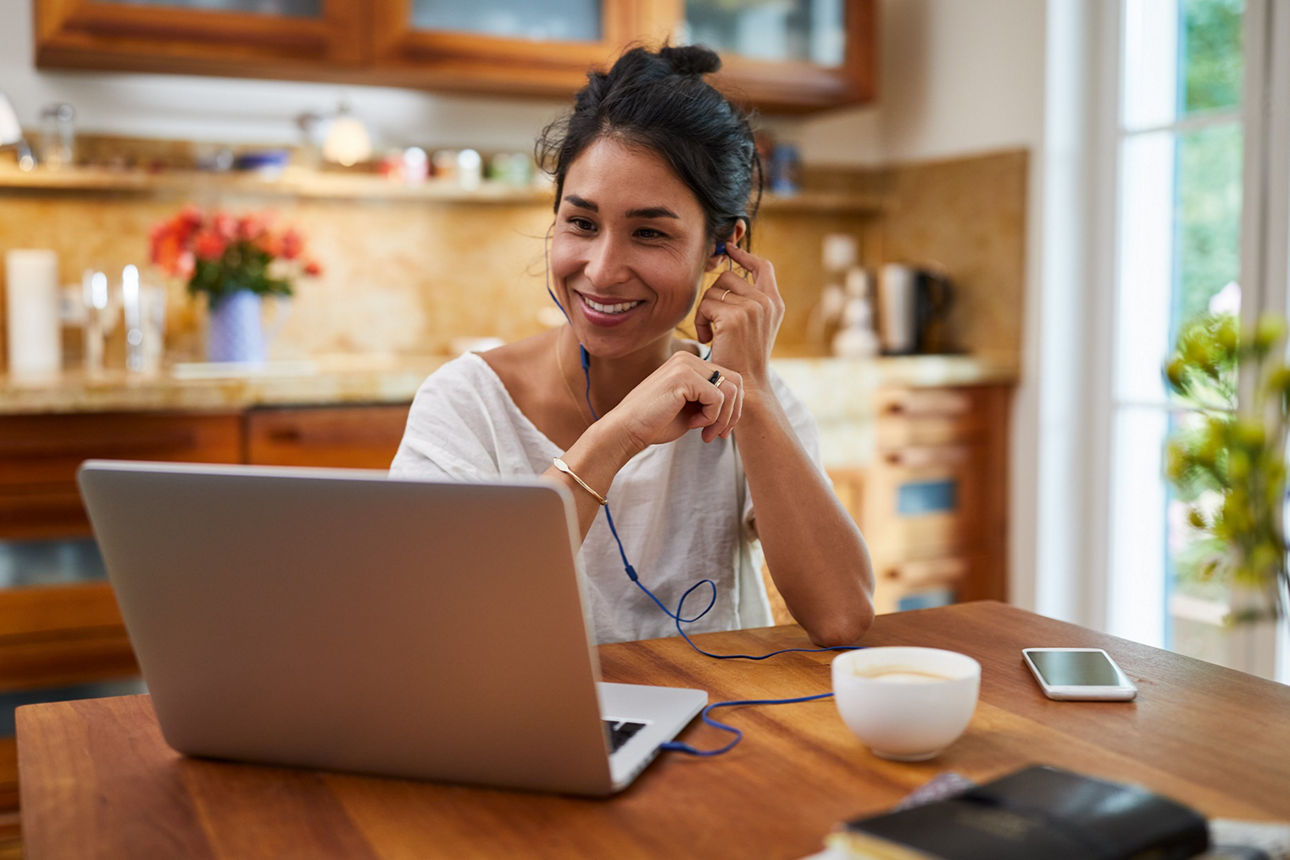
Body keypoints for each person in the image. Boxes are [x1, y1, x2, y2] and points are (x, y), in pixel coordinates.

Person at [391, 44, 874, 646]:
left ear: (722, 249)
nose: (601, 269)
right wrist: (618, 434)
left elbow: (843, 618)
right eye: (581, 223)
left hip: (719, 727)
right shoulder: (466, 404)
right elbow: (438, 623)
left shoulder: (748, 398)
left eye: (649, 232)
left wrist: (753, 391)